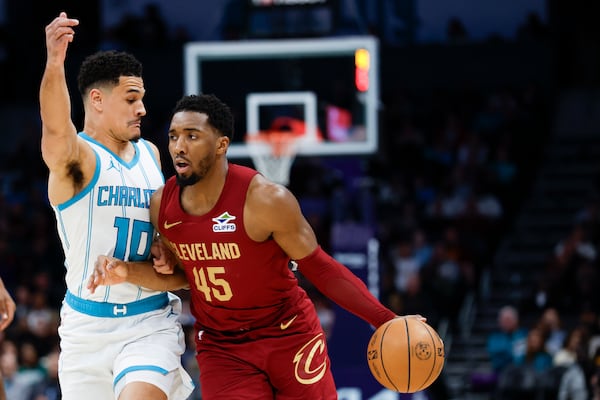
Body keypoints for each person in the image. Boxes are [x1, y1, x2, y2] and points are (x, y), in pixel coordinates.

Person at [88, 93, 422, 399]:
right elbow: (186, 277)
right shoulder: (164, 206)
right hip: (223, 347)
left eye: (192, 136)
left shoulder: (265, 200)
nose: (178, 146)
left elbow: (319, 266)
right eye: (174, 136)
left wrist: (384, 318)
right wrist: (130, 271)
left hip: (288, 334)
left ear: (221, 145)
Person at [40, 12, 193, 400]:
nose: (142, 108)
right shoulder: (79, 160)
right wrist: (55, 62)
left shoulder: (151, 154)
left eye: (141, 98)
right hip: (85, 330)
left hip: (149, 322)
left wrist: (164, 246)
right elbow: (57, 128)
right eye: (131, 99)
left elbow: (164, 226)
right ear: (97, 100)